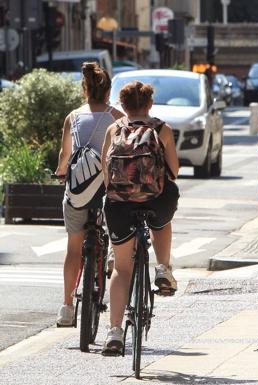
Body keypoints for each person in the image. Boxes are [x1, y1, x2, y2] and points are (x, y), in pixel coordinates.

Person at [100, 81, 180, 355]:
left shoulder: (114, 129)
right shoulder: (162, 129)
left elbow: (104, 171)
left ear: (123, 106)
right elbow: (175, 170)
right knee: (162, 218)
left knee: (123, 268)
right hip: (156, 199)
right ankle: (163, 267)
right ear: (149, 104)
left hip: (120, 204)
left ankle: (114, 333)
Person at [55, 62, 125, 327]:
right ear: (108, 91)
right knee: (115, 221)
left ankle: (67, 306)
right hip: (106, 190)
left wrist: (61, 172)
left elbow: (65, 157)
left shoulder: (72, 117)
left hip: (78, 192)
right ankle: (110, 256)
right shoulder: (117, 116)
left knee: (74, 248)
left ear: (85, 89)